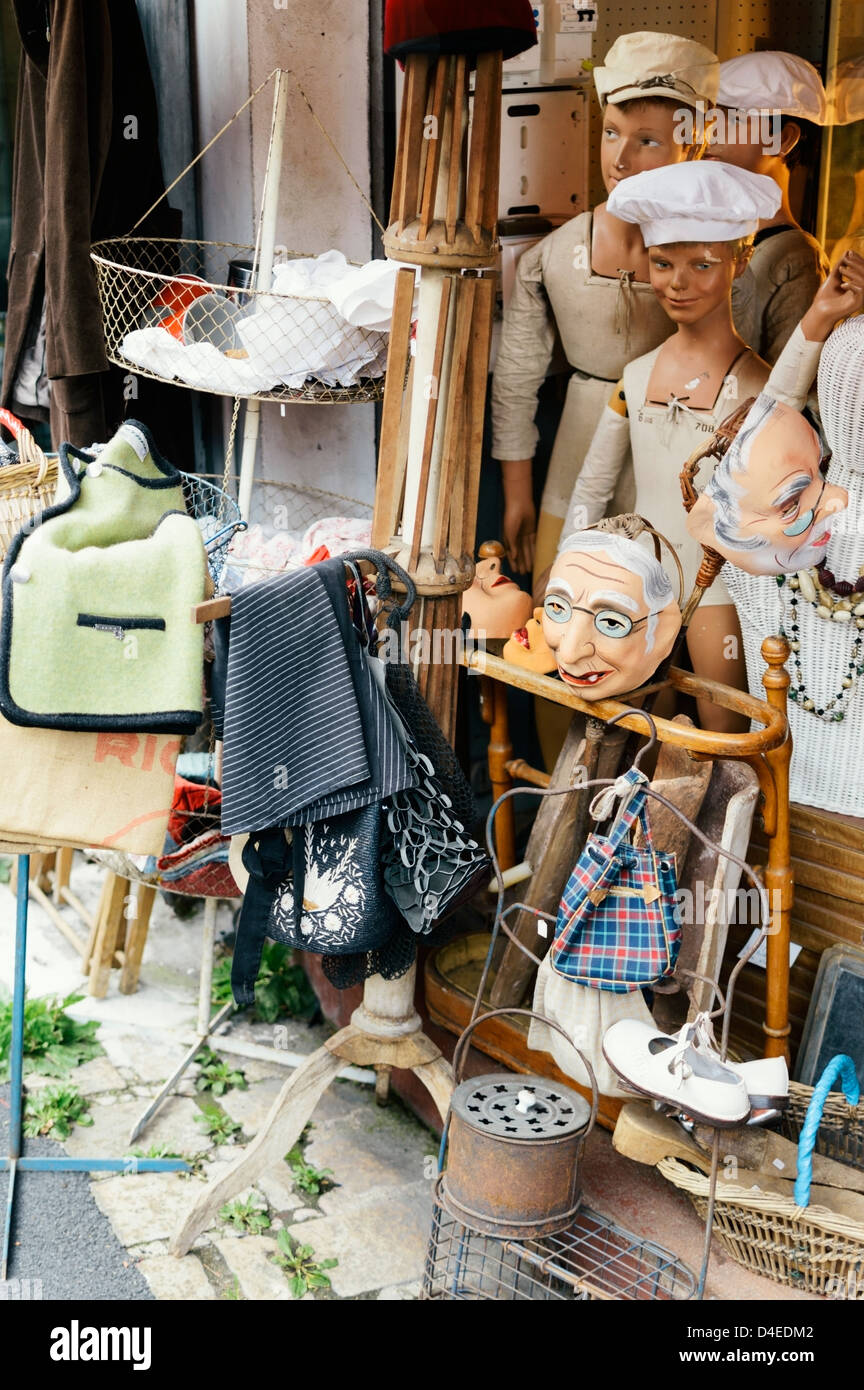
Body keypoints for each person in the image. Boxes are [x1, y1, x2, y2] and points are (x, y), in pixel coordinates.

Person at [557, 161, 864, 732]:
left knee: (719, 732)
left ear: (739, 262)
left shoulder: (753, 384)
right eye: (662, 263)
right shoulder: (636, 372)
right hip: (632, 572)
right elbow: (593, 484)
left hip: (718, 582)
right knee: (619, 728)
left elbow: (779, 399)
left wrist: (819, 317)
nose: (678, 283)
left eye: (703, 264)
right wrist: (568, 566)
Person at [491, 31, 719, 581]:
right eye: (611, 133)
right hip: (578, 450)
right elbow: (517, 380)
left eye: (647, 141)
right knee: (567, 599)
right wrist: (517, 493)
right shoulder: (554, 254)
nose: (619, 158)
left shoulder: (720, 256)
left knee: (664, 604)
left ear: (693, 143)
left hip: (679, 454)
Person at [706, 51, 830, 363]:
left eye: (731, 119)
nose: (710, 134)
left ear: (785, 139)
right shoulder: (709, 236)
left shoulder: (797, 259)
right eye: (708, 119)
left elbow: (789, 388)